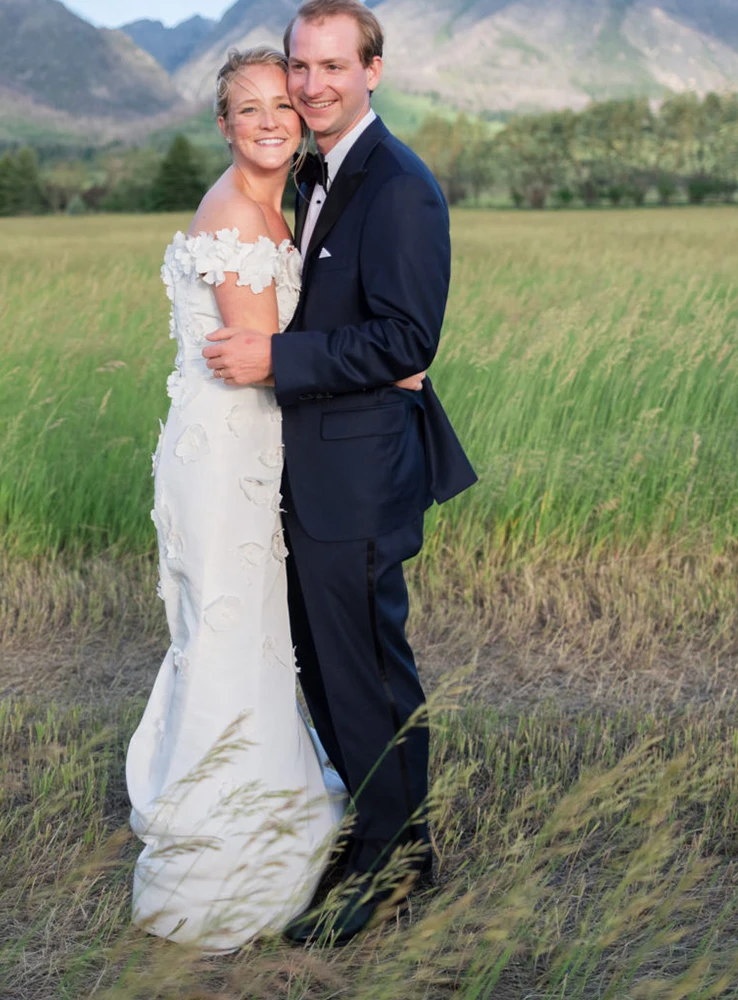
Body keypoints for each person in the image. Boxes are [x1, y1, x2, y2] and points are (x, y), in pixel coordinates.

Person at [202, 0, 478, 946]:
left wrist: (281, 358)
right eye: (300, 67)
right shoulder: (319, 168)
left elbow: (408, 337)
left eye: (331, 67)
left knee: (366, 672)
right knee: (329, 669)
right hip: (309, 467)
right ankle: (382, 837)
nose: (312, 85)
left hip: (359, 474)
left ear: (373, 70)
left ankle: (395, 867)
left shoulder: (399, 184)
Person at [126, 47, 363, 953]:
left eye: (284, 107)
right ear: (222, 126)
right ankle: (223, 859)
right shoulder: (234, 214)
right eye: (250, 110)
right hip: (227, 457)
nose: (271, 121)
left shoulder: (282, 203)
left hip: (251, 448)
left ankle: (268, 809)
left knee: (252, 633)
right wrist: (382, 363)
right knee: (229, 631)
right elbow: (262, 352)